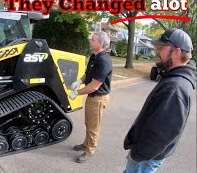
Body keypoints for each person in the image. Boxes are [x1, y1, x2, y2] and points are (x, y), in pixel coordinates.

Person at [123, 28, 196, 172]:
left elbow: (161, 135)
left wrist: (136, 154)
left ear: (177, 52)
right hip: (147, 156)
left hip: (145, 159)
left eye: (162, 47)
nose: (157, 51)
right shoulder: (173, 79)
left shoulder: (175, 88)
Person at [69, 31, 112, 163]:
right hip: (92, 97)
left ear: (101, 43)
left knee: (93, 126)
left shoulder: (104, 60)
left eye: (93, 40)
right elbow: (88, 74)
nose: (90, 41)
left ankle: (89, 150)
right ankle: (85, 144)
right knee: (88, 123)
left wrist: (77, 92)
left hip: (98, 98)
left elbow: (94, 86)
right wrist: (79, 81)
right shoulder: (94, 57)